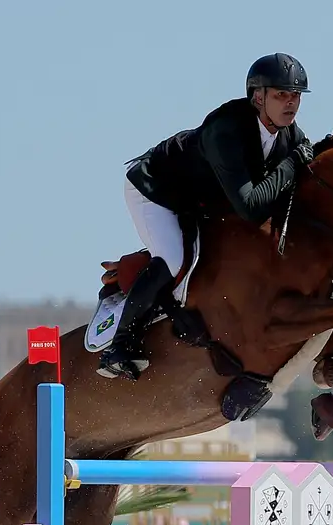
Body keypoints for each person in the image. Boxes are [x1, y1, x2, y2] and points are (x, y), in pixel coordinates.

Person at [97, 53, 316, 381]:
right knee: (172, 258)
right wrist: (290, 165)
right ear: (258, 96)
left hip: (200, 201)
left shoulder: (289, 135)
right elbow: (252, 207)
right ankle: (118, 346)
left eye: (295, 95)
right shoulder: (225, 130)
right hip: (155, 190)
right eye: (281, 95)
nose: (291, 103)